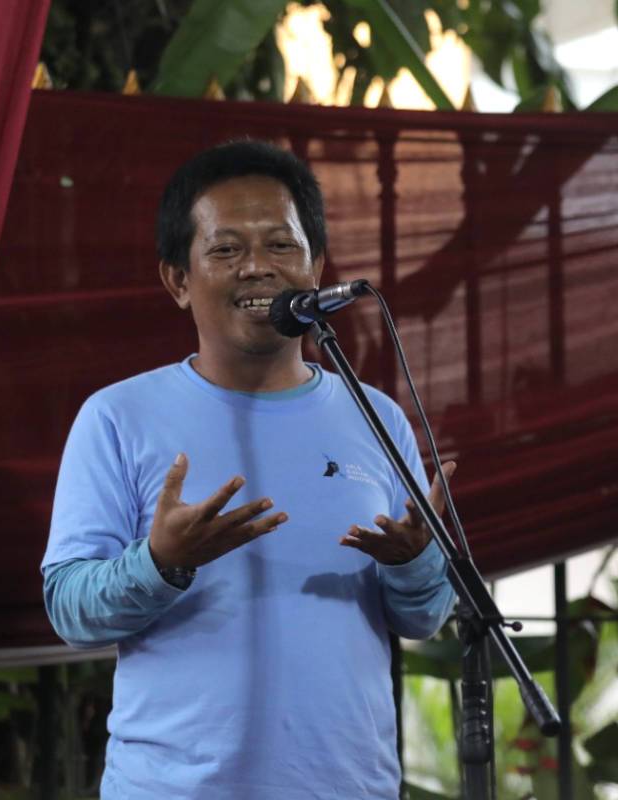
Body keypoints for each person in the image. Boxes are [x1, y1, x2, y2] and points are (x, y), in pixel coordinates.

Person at [42, 140, 457, 799]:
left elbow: (425, 616)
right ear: (178, 281)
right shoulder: (118, 416)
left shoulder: (376, 416)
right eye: (227, 249)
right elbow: (70, 610)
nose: (258, 267)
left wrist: (413, 564)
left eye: (281, 246)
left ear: (316, 268)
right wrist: (161, 563)